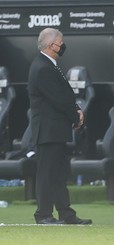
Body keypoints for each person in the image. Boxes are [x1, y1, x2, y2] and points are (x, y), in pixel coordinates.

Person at [28, 28, 92, 225]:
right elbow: (57, 99)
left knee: (58, 174)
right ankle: (43, 215)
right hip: (48, 131)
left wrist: (76, 109)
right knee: (47, 174)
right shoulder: (43, 67)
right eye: (60, 42)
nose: (63, 45)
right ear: (51, 45)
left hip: (55, 130)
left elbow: (64, 96)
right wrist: (76, 116)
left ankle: (66, 214)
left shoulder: (49, 65)